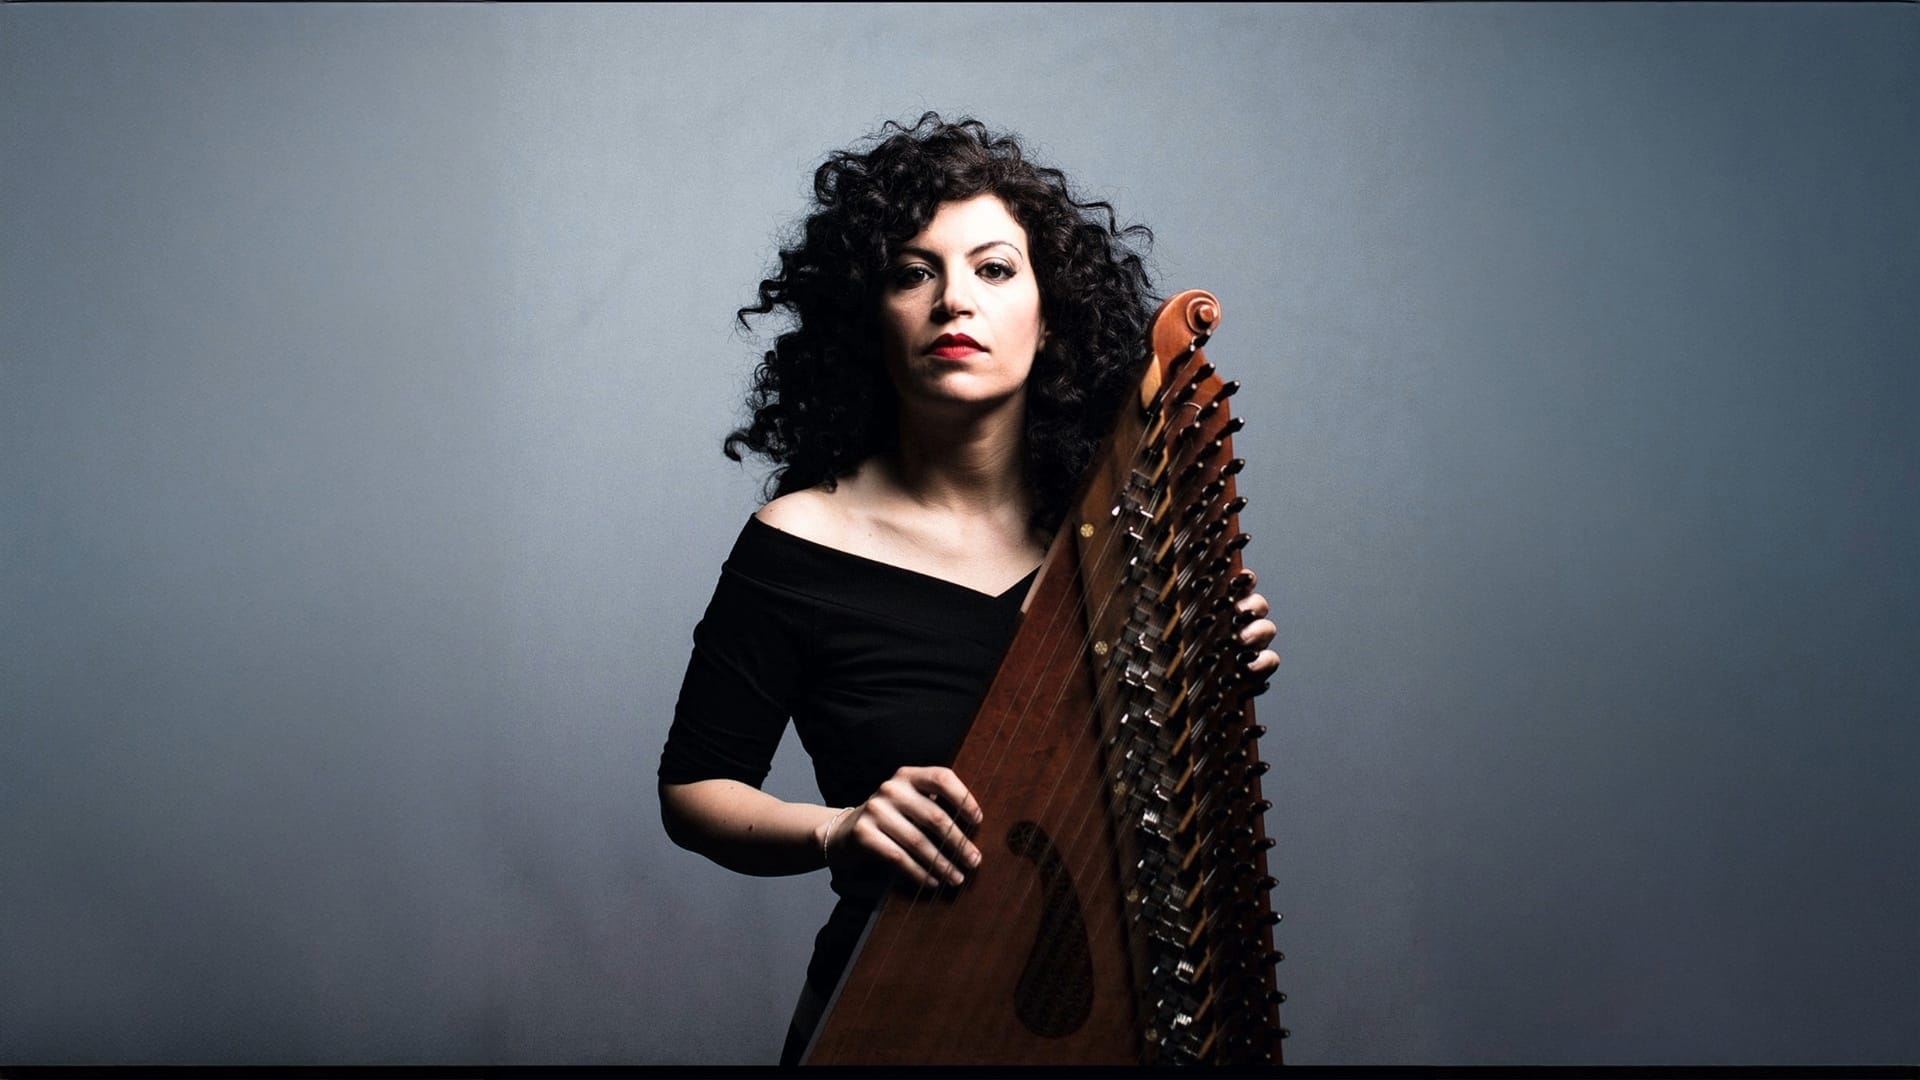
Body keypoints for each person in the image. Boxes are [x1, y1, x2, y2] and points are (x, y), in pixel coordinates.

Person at [656, 114, 1279, 1065]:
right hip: (898, 1012)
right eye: (914, 273)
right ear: (870, 315)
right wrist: (839, 830)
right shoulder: (802, 541)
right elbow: (694, 790)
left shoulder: (1120, 546)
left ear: (1050, 309)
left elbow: (1143, 809)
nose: (955, 301)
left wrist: (1217, 691)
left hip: (1121, 1022)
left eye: (994, 270)